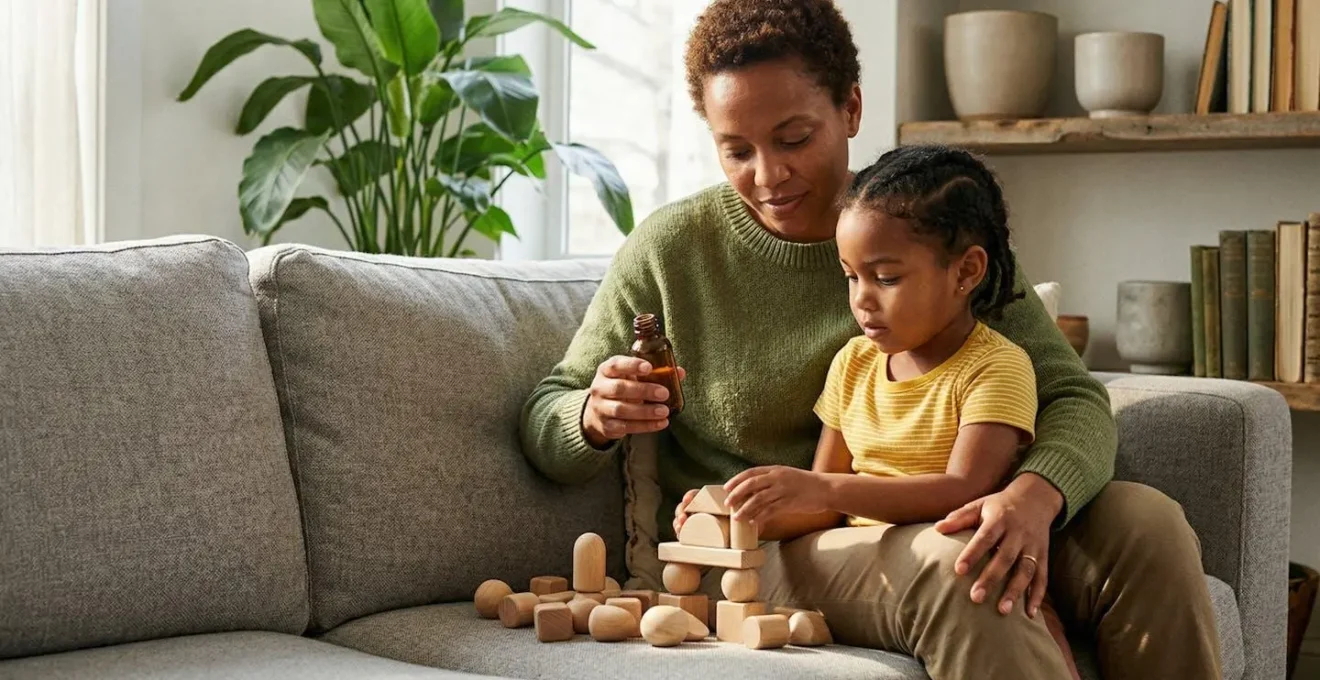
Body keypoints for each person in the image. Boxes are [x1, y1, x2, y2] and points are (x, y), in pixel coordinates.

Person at [519, 0, 1221, 677]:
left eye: (794, 139)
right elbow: (548, 416)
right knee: (959, 567)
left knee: (1148, 524)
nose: (768, 176)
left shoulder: (922, 228)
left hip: (945, 509)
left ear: (850, 109)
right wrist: (591, 415)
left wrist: (1036, 495)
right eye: (736, 150)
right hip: (771, 545)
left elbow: (1070, 395)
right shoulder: (671, 252)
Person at [717, 143, 1081, 679]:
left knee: (1028, 621)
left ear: (966, 272)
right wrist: (742, 510)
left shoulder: (998, 367)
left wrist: (823, 490)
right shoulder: (853, 364)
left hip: (959, 558)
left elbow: (966, 489)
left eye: (885, 278)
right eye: (850, 277)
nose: (862, 299)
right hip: (870, 557)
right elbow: (823, 501)